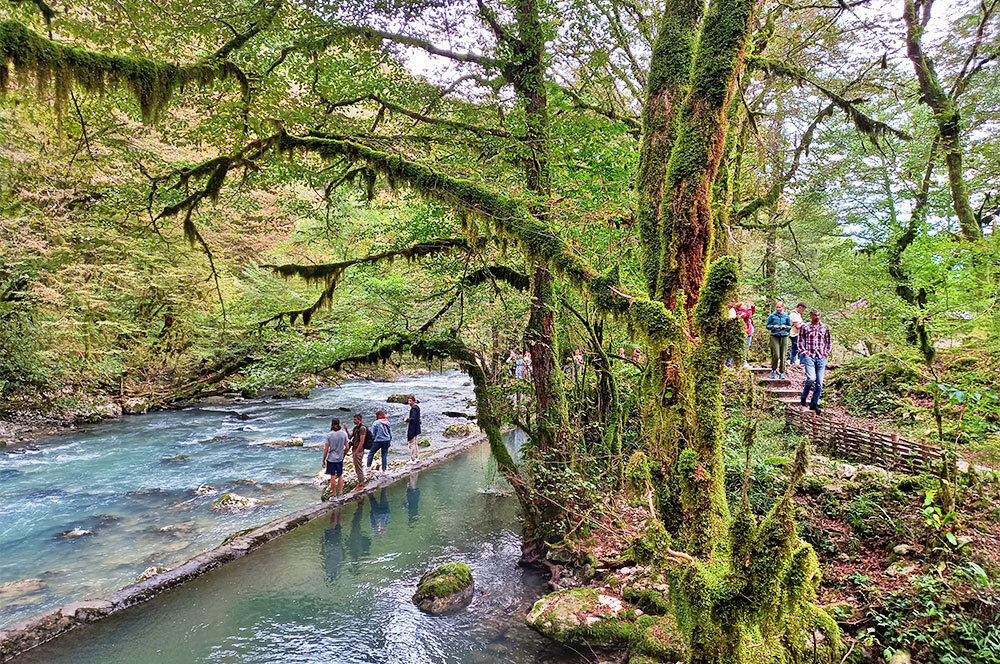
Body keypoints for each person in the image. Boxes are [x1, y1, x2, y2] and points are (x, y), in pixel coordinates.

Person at [798, 310, 832, 412]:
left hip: (821, 357)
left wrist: (825, 353)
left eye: (818, 315)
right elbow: (800, 341)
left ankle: (814, 403)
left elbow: (828, 342)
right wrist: (804, 352)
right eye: (815, 315)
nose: (817, 317)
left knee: (819, 382)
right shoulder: (805, 327)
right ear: (811, 316)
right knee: (811, 378)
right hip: (809, 356)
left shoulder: (825, 327)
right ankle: (804, 396)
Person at [322, 417, 349, 499]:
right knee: (340, 475)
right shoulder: (344, 434)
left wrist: (323, 460)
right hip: (340, 458)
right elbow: (347, 447)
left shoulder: (329, 435)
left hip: (331, 459)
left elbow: (326, 449)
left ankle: (334, 495)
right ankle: (341, 494)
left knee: (333, 476)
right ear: (339, 424)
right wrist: (343, 454)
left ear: (332, 424)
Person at [765, 301, 791, 379]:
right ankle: (773, 370)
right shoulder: (772, 316)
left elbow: (789, 326)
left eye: (780, 307)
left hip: (784, 336)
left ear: (783, 307)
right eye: (777, 307)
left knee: (783, 355)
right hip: (774, 336)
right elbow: (767, 326)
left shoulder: (786, 316)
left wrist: (785, 326)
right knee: (776, 354)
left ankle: (782, 372)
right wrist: (773, 326)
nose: (778, 309)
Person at [347, 413, 368, 492]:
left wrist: (357, 451)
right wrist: (346, 429)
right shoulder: (356, 428)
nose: (353, 421)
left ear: (359, 419)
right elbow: (349, 437)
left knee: (358, 467)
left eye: (355, 419)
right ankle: (360, 482)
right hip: (355, 449)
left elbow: (362, 441)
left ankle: (362, 484)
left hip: (358, 450)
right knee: (357, 466)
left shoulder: (362, 428)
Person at [788, 302, 807, 367]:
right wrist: (805, 325)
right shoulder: (793, 314)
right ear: (800, 307)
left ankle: (792, 363)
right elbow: (798, 326)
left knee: (795, 349)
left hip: (798, 334)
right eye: (803, 310)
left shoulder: (798, 314)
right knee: (802, 348)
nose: (803, 311)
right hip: (795, 334)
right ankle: (802, 363)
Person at [404, 396, 421, 463]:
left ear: (414, 401)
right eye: (408, 401)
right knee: (415, 443)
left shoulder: (413, 409)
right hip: (416, 428)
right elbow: (417, 419)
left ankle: (413, 459)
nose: (409, 402)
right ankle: (416, 457)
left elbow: (413, 419)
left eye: (410, 401)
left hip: (413, 428)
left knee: (411, 444)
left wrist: (407, 419)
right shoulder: (417, 408)